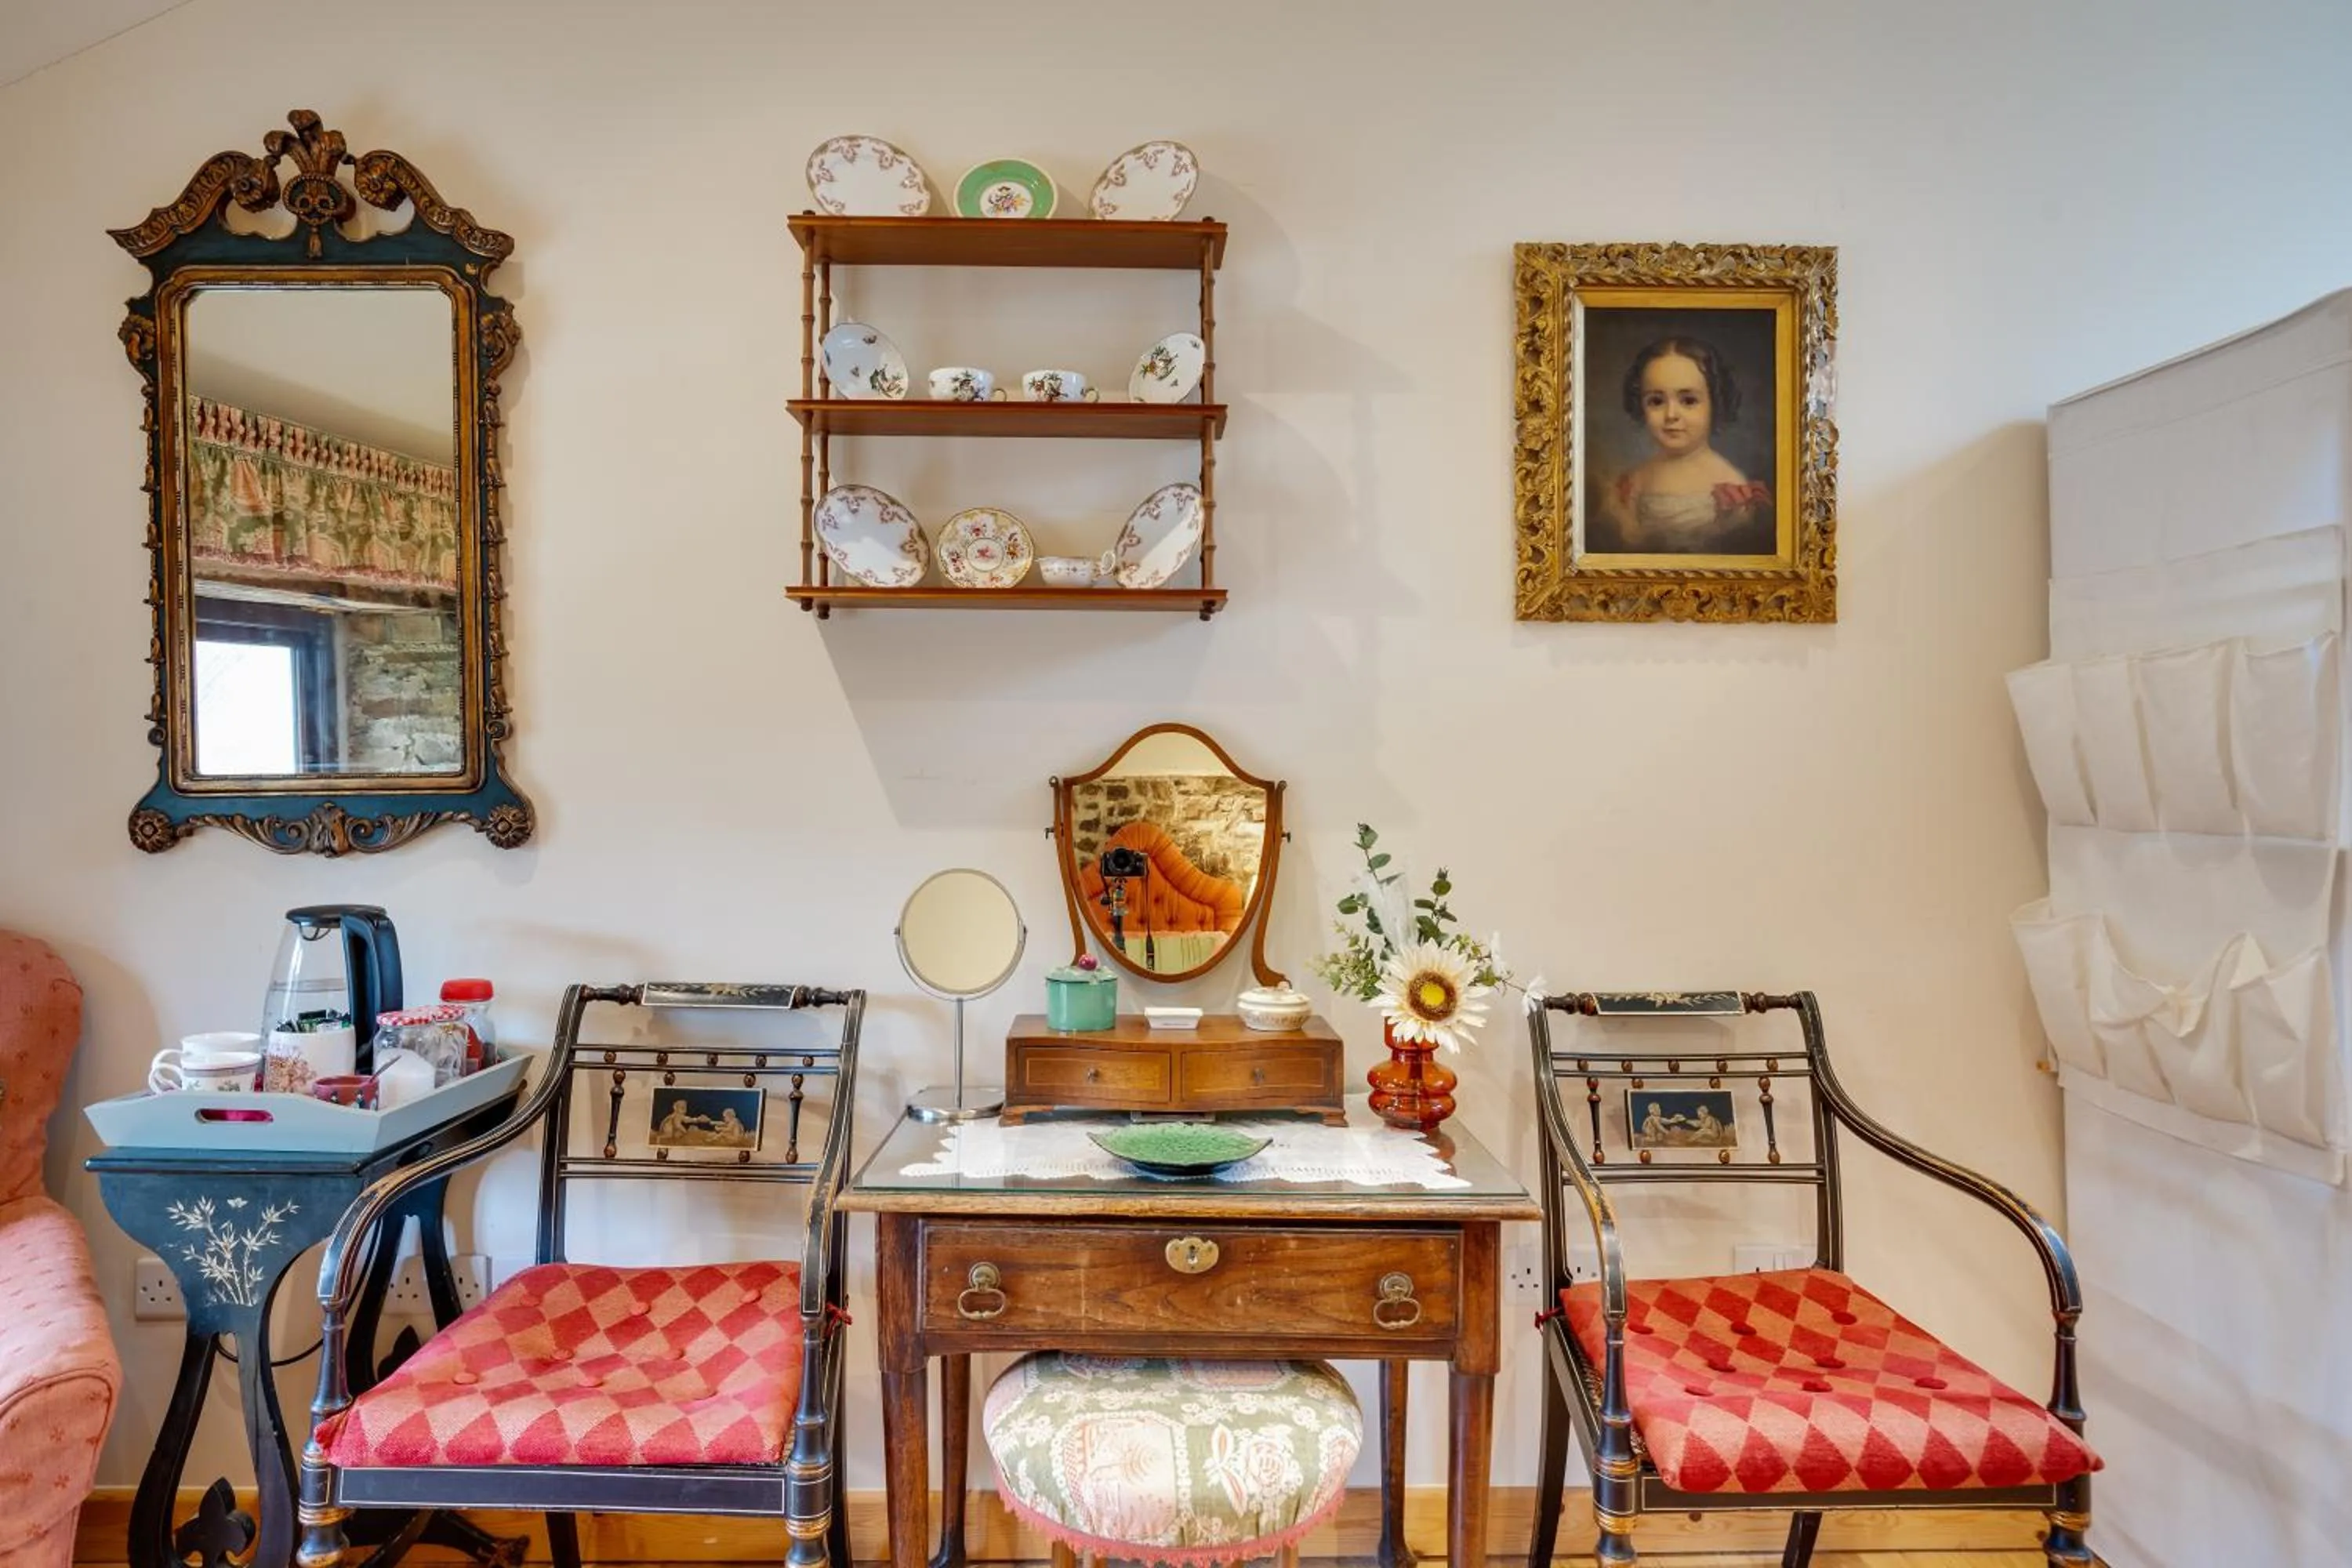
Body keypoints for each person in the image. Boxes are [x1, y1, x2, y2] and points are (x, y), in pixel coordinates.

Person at [1594, 336, 1773, 555]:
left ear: (1715, 404)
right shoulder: (1634, 480)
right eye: (1656, 401)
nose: (1671, 415)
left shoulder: (1731, 485)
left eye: (1688, 401)